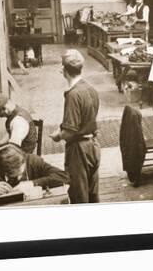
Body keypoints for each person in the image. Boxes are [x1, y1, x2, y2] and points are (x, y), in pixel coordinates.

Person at [49, 49, 101, 204]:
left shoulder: (73, 95)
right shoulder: (91, 89)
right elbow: (87, 119)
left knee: (79, 195)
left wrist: (58, 136)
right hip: (93, 146)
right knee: (93, 194)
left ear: (64, 71)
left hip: (79, 151)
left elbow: (70, 132)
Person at [0, 144, 69, 199]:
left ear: (24, 161)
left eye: (21, 174)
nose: (18, 178)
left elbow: (64, 176)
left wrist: (31, 183)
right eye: (11, 176)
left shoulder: (33, 161)